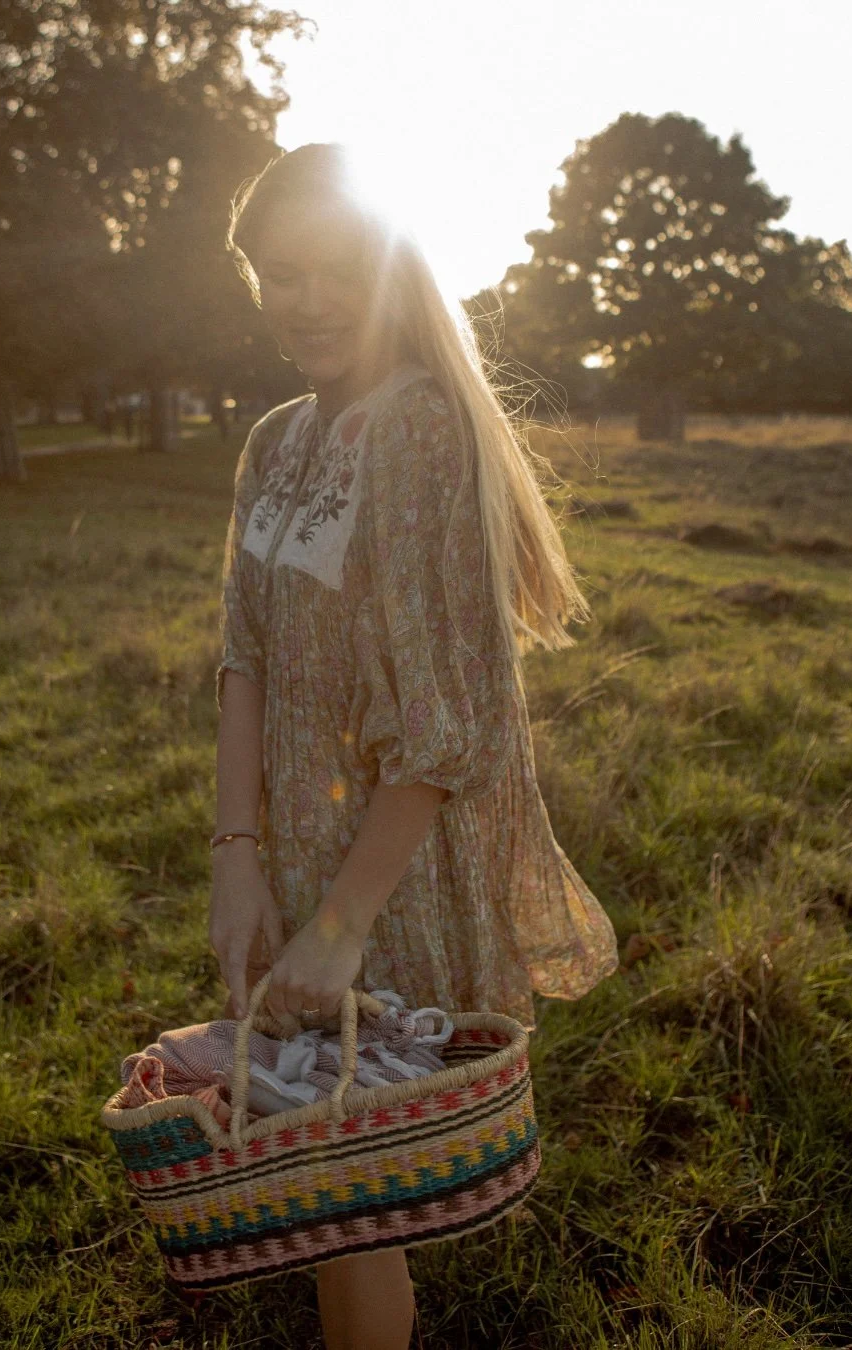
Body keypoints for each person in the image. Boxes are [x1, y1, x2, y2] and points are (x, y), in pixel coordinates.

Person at [208, 143, 619, 1350]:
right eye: (280, 274)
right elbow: (242, 657)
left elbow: (448, 726)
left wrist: (342, 925)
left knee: (350, 1195)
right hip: (289, 860)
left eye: (335, 268)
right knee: (328, 1180)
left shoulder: (421, 431)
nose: (308, 301)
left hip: (383, 878)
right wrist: (237, 859)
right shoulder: (275, 441)